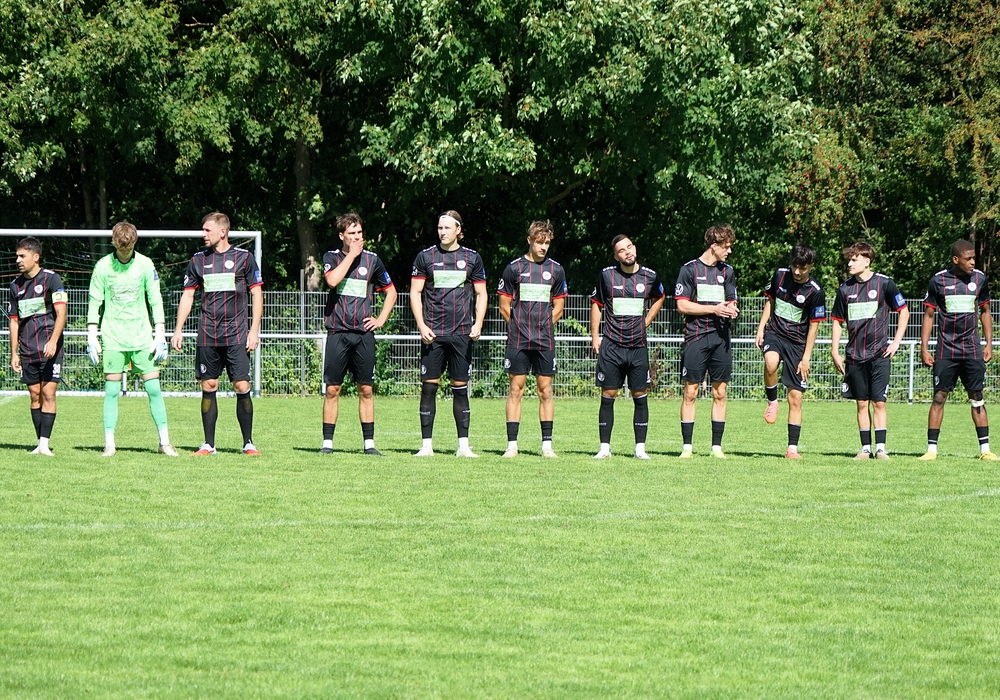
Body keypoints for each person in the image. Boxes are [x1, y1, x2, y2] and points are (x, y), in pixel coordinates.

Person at [171, 212, 264, 455]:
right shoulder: (198, 260)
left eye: (207, 230)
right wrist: (178, 329)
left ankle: (248, 443)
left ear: (222, 232)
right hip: (208, 334)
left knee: (241, 385)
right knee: (209, 384)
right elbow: (188, 295)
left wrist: (254, 331)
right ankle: (208, 444)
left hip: (237, 334)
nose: (204, 234)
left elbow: (256, 294)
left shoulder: (244, 258)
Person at [87, 222, 176, 457]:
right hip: (113, 337)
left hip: (142, 337)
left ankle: (165, 442)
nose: (125, 251)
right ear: (114, 243)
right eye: (121, 248)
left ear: (135, 242)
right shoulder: (103, 266)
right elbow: (95, 301)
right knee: (112, 391)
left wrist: (160, 333)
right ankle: (109, 444)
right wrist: (92, 334)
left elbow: (155, 298)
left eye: (128, 248)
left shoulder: (145, 264)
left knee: (154, 389)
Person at [410, 210, 488, 457]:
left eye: (446, 228)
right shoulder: (425, 257)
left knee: (460, 388)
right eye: (439, 227)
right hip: (433, 333)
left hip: (461, 333)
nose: (442, 232)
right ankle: (426, 446)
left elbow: (481, 294)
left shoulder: (472, 258)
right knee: (429, 388)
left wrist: (478, 323)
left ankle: (463, 446)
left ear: (458, 230)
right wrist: (422, 325)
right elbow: (415, 293)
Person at [320, 213, 398, 455]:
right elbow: (332, 281)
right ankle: (327, 445)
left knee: (366, 389)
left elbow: (391, 292)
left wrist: (380, 319)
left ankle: (369, 444)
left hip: (363, 334)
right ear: (341, 236)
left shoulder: (373, 260)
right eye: (351, 233)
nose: (357, 237)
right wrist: (351, 256)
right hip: (338, 332)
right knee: (332, 389)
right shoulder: (331, 257)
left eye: (359, 233)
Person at [918, 240, 996, 460]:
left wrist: (989, 343)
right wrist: (924, 347)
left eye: (974, 258)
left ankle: (985, 450)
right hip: (946, 349)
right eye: (968, 258)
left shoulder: (979, 279)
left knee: (977, 396)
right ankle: (931, 450)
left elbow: (985, 311)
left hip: (971, 349)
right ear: (956, 259)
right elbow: (929, 315)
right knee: (939, 396)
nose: (972, 262)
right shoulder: (938, 280)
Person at [831, 241, 910, 460]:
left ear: (867, 261)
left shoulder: (885, 284)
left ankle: (881, 448)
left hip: (879, 354)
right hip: (855, 356)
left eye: (854, 260)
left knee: (879, 402)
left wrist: (896, 342)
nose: (850, 263)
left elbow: (904, 311)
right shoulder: (845, 289)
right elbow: (837, 321)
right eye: (849, 260)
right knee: (861, 403)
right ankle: (866, 449)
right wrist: (835, 351)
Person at [590, 235, 665, 459]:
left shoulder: (650, 276)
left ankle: (640, 449)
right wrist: (595, 336)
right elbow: (597, 304)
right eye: (622, 250)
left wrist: (647, 320)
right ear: (616, 256)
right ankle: (604, 448)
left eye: (629, 247)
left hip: (637, 346)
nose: (628, 252)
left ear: (635, 248)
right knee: (608, 394)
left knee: (640, 395)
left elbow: (660, 296)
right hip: (611, 345)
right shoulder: (606, 276)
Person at [497, 221, 568, 458]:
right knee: (515, 390)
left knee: (545, 391)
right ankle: (512, 446)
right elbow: (504, 306)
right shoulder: (514, 268)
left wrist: (542, 327)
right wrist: (520, 327)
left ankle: (547, 446)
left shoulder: (556, 270)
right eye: (539, 242)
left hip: (544, 340)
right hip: (518, 340)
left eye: (547, 243)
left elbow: (559, 308)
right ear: (529, 240)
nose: (543, 247)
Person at [754, 243, 827, 458]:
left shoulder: (816, 292)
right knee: (770, 363)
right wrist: (761, 328)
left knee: (795, 397)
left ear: (811, 266)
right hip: (775, 333)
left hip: (797, 344)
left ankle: (792, 449)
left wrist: (806, 358)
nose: (797, 271)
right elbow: (770, 301)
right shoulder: (780, 275)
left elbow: (813, 327)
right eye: (794, 266)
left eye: (802, 268)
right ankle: (772, 402)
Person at [675, 225, 739, 458]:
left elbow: (731, 300)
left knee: (720, 392)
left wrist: (732, 309)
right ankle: (687, 448)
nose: (729, 251)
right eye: (726, 247)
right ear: (714, 245)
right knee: (690, 392)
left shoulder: (727, 271)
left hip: (721, 339)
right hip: (696, 337)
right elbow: (682, 305)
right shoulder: (689, 270)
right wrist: (714, 309)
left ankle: (716, 448)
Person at [8, 237, 67, 455]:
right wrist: (14, 352)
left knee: (48, 393)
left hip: (51, 349)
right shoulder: (15, 286)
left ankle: (44, 444)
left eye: (22, 256)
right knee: (35, 396)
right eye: (17, 256)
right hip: (28, 350)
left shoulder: (52, 279)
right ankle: (39, 443)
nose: (18, 260)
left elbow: (61, 313)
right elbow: (14, 321)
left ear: (36, 257)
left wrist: (53, 341)